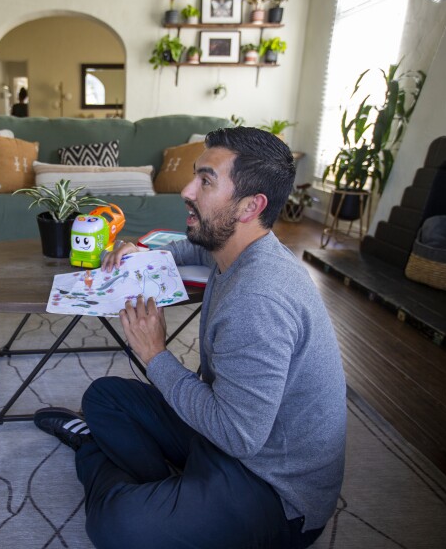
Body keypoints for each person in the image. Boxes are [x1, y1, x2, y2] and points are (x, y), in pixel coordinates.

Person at [33, 127, 347, 548]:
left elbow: (238, 436)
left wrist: (155, 354)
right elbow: (199, 248)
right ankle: (177, 495)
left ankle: (93, 449)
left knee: (116, 526)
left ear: (251, 206)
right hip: (227, 438)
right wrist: (151, 253)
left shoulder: (259, 299)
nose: (186, 189)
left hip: (274, 488)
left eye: (206, 180)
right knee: (104, 397)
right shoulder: (246, 246)